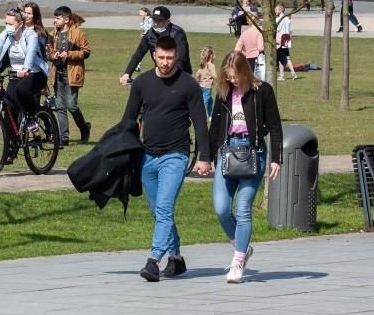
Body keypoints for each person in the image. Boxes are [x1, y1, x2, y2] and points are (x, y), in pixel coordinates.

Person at [121, 35, 210, 281]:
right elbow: (128, 119)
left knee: (164, 207)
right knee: (159, 212)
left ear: (176, 57)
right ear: (154, 55)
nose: (165, 62)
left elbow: (200, 122)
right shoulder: (143, 82)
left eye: (170, 58)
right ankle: (177, 259)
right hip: (148, 158)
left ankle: (153, 260)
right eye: (161, 57)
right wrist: (118, 151)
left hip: (176, 155)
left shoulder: (188, 84)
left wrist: (205, 157)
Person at [199, 51, 282, 284]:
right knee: (221, 208)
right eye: (228, 76)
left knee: (243, 207)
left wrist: (277, 158)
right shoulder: (224, 92)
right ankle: (242, 246)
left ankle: (238, 263)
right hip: (228, 151)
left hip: (253, 151)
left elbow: (275, 125)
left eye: (235, 76)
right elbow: (215, 126)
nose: (232, 80)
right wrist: (206, 157)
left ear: (245, 72)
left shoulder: (262, 91)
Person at [0, 8, 49, 132]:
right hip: (15, 74)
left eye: (11, 24)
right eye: (6, 23)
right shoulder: (5, 35)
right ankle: (11, 147)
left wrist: (26, 68)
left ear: (21, 24)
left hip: (35, 73)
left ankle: (33, 117)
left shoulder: (30, 35)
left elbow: (31, 52)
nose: (7, 27)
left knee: (22, 89)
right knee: (10, 108)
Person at [48, 6, 91, 147]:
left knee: (71, 106)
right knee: (60, 107)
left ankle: (84, 127)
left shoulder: (78, 33)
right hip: (57, 73)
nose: (55, 20)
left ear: (66, 20)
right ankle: (64, 138)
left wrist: (69, 54)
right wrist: (52, 55)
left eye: (57, 18)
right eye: (55, 17)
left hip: (72, 74)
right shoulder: (52, 34)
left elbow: (86, 52)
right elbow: (46, 53)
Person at [120, 6, 192, 84]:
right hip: (161, 72)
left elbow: (181, 58)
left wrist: (172, 76)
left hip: (181, 74)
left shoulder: (177, 34)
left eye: (160, 20)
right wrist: (127, 74)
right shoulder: (150, 34)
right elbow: (138, 54)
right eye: (154, 20)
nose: (156, 23)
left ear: (168, 21)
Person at [275, 4, 297, 81]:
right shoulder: (287, 19)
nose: (275, 11)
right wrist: (288, 40)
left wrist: (277, 41)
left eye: (276, 10)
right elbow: (291, 32)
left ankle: (281, 75)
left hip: (280, 41)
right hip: (286, 41)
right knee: (287, 58)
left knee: (282, 58)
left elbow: (277, 31)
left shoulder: (278, 20)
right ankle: (293, 73)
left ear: (280, 10)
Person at [195, 46, 217, 121]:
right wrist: (221, 80)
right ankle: (197, 115)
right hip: (207, 87)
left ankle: (210, 116)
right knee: (204, 101)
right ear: (211, 56)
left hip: (201, 86)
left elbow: (197, 74)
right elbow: (214, 75)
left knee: (210, 101)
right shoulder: (211, 65)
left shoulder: (202, 64)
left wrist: (198, 83)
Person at [135, 7, 153, 72]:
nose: (140, 14)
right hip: (146, 38)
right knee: (140, 51)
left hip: (150, 39)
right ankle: (137, 66)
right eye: (140, 13)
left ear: (146, 13)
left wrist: (145, 34)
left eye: (141, 12)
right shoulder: (144, 19)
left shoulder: (150, 20)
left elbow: (150, 29)